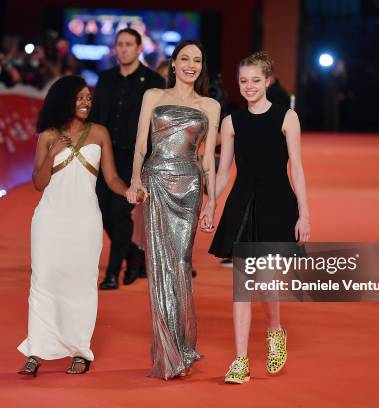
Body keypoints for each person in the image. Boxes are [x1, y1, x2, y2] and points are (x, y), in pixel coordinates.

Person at [208, 52, 311, 384]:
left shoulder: (287, 117)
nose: (248, 86)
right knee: (242, 284)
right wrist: (210, 203)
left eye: (255, 80)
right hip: (242, 205)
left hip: (277, 203)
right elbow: (224, 173)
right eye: (243, 81)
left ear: (267, 80)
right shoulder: (231, 122)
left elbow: (296, 169)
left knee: (265, 283)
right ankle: (240, 360)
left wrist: (305, 214)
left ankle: (275, 330)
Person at [17, 76, 128, 377]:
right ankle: (36, 351)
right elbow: (38, 184)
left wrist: (130, 191)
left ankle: (80, 350)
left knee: (81, 284)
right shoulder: (48, 134)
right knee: (42, 284)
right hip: (49, 220)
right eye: (80, 98)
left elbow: (112, 179)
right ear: (64, 99)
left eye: (88, 98)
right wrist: (52, 154)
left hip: (85, 220)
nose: (85, 103)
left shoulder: (100, 133)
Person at [126, 40, 220, 380]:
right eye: (185, 59)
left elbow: (207, 158)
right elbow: (141, 144)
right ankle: (167, 352)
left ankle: (181, 345)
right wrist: (135, 180)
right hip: (154, 185)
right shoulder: (153, 96)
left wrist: (212, 200)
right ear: (174, 63)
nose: (191, 65)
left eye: (197, 59)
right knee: (158, 265)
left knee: (180, 263)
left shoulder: (210, 105)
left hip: (190, 187)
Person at [90, 28, 165, 290]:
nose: (123, 49)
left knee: (119, 211)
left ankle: (112, 273)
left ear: (139, 48)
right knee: (100, 210)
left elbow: (159, 123)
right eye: (119, 44)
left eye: (128, 44)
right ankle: (132, 251)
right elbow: (96, 115)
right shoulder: (105, 79)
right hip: (105, 156)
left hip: (136, 158)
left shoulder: (153, 80)